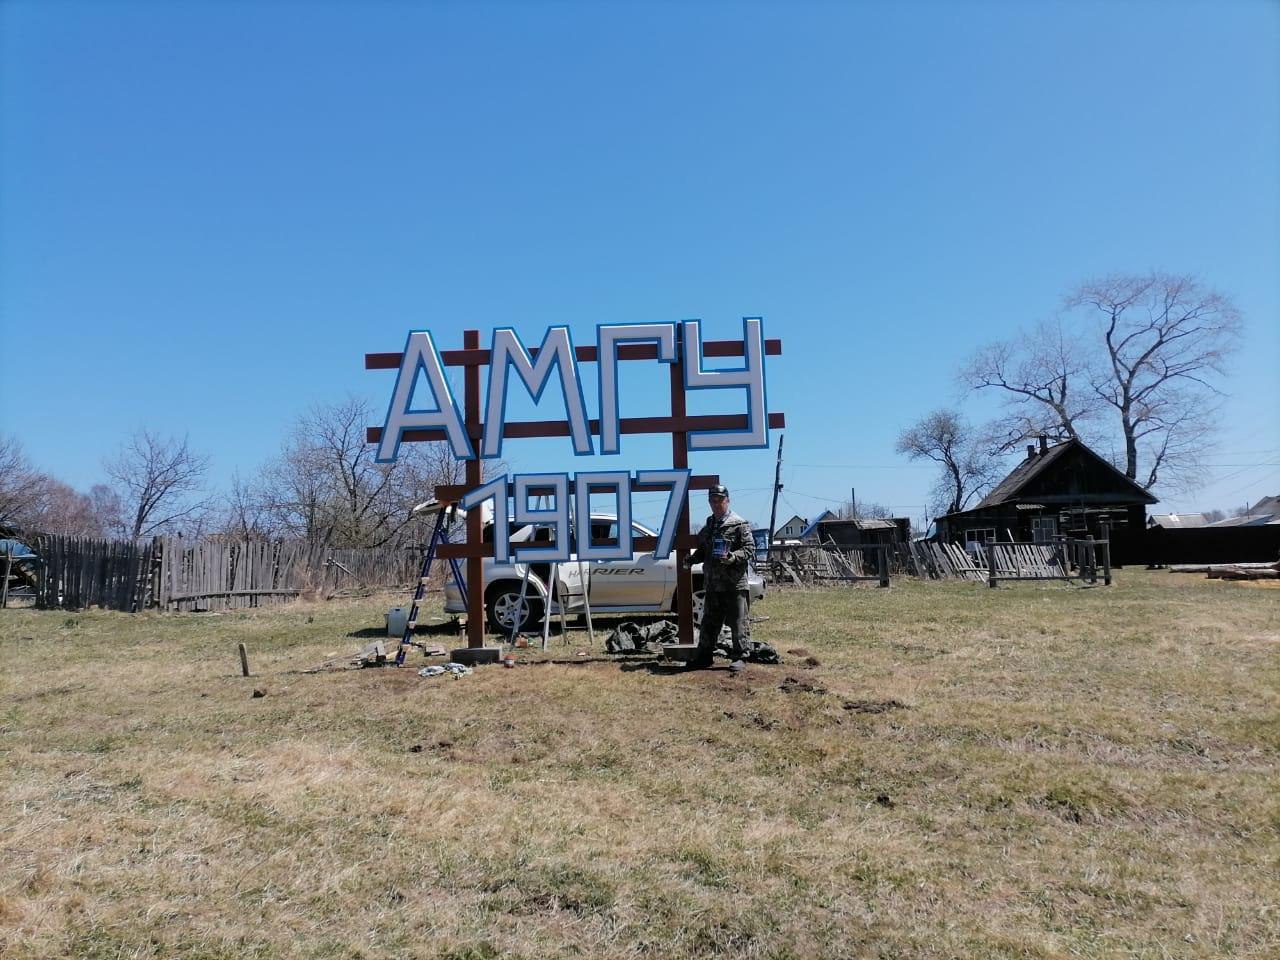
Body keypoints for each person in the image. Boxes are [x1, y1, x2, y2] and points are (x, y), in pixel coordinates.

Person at [684, 484, 754, 672]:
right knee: (709, 622)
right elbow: (703, 550)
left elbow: (749, 549)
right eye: (713, 500)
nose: (716, 504)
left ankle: (740, 657)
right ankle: (705, 656)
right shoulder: (709, 524)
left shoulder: (739, 523)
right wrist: (692, 559)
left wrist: (732, 557)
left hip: (734, 583)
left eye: (720, 500)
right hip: (713, 583)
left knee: (738, 622)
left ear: (727, 501)